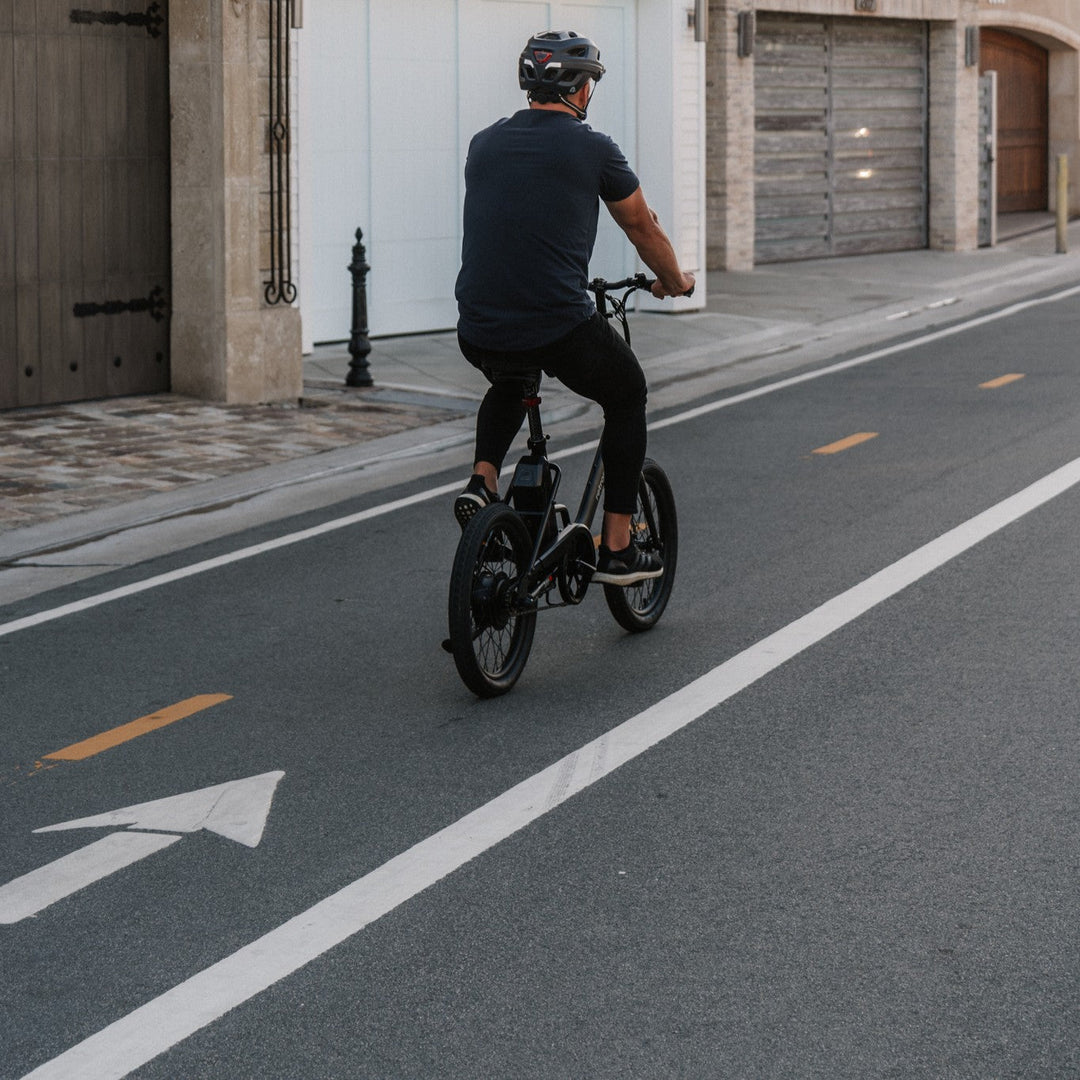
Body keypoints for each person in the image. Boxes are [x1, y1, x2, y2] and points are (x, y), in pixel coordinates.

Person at [453, 29, 695, 585]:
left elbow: (519, 220)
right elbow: (642, 226)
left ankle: (483, 481)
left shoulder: (483, 144)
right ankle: (616, 548)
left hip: (479, 323)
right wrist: (674, 281)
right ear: (581, 90)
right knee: (627, 393)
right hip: (556, 323)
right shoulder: (593, 147)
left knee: (511, 380)